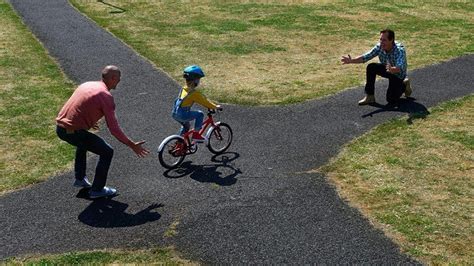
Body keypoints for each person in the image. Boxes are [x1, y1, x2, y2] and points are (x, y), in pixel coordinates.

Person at [56, 65, 149, 199]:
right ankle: (97, 190)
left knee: (83, 143)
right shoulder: (106, 96)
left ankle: (80, 178)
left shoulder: (87, 85)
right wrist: (132, 145)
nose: (119, 80)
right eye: (118, 78)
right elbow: (114, 129)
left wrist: (90, 121)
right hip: (73, 131)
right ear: (112, 78)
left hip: (61, 128)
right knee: (107, 151)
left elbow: (79, 105)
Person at [341, 29, 412, 105]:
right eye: (380, 39)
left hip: (398, 74)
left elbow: (399, 68)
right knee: (371, 67)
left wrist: (392, 69)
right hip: (387, 69)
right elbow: (365, 57)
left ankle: (404, 84)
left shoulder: (399, 50)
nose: (381, 42)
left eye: (384, 40)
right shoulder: (379, 46)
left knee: (391, 99)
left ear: (391, 40)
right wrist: (351, 60)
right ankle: (370, 96)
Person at [172, 65, 221, 142]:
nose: (199, 81)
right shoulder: (193, 93)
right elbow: (205, 102)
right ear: (195, 81)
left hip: (175, 113)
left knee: (186, 127)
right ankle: (196, 135)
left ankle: (180, 142)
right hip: (182, 114)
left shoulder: (184, 88)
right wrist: (215, 107)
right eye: (198, 79)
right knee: (200, 114)